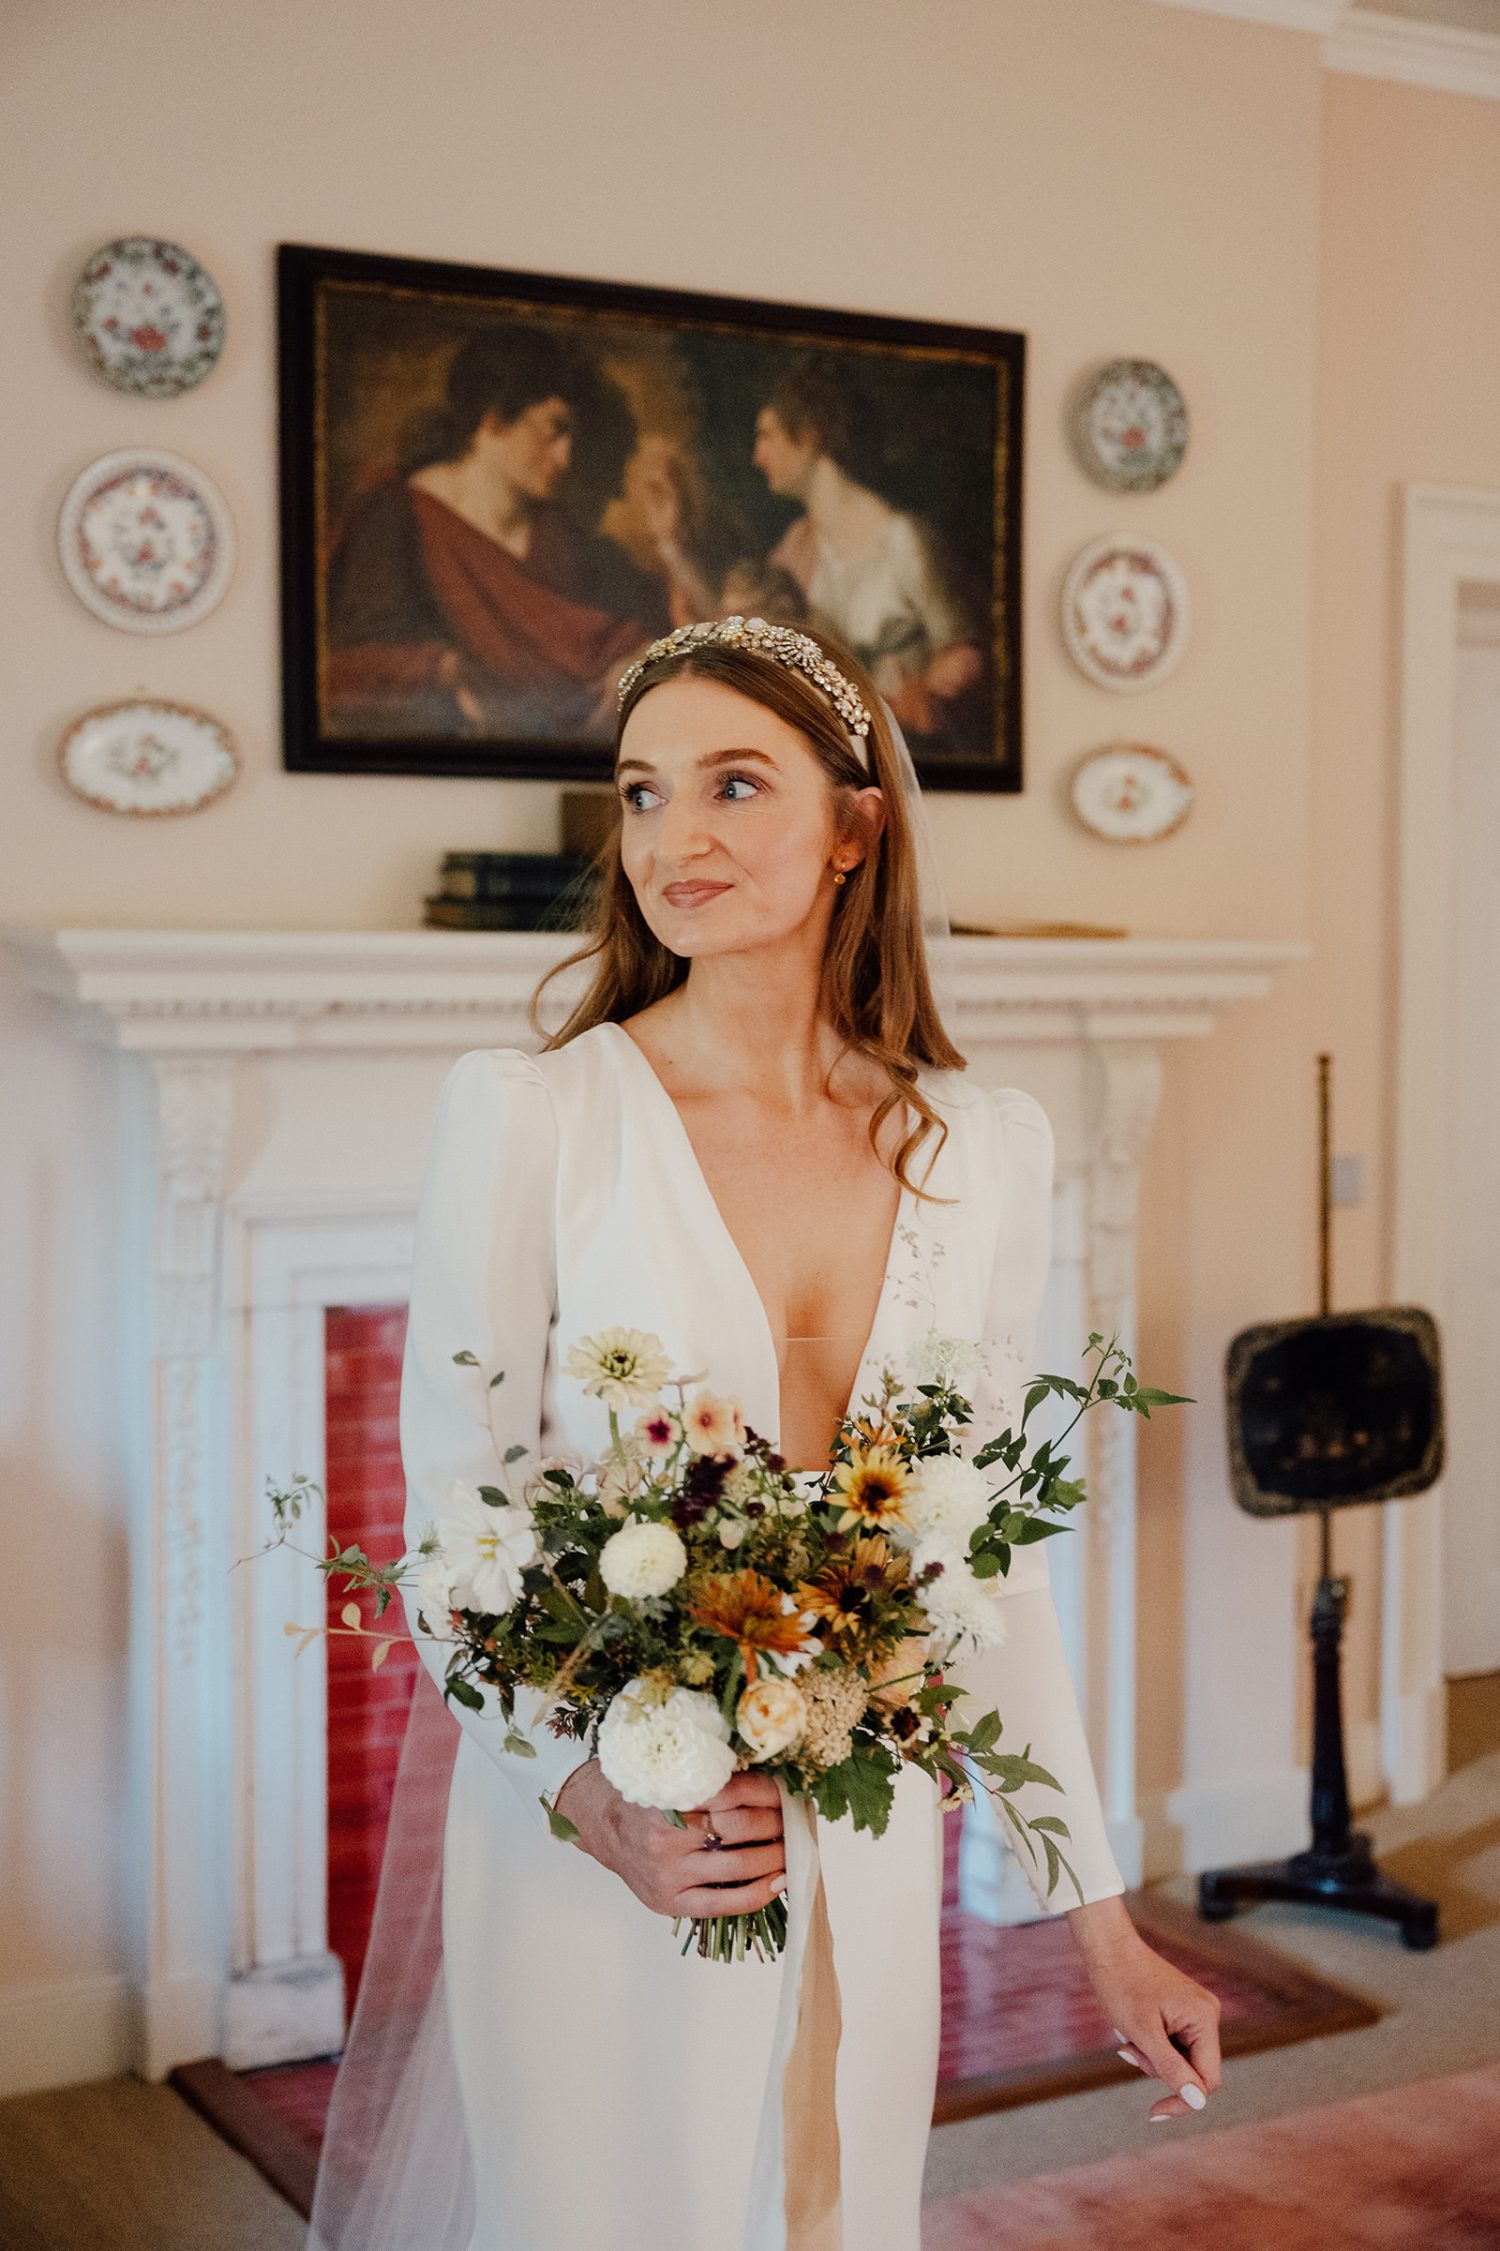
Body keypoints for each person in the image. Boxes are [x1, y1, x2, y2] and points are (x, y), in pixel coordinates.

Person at [315, 616, 1222, 2251]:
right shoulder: (531, 1119)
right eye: (642, 795)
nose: (674, 838)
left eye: (735, 784)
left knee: (835, 2212)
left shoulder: (982, 1149)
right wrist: (592, 1791)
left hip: (867, 1839)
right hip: (608, 1845)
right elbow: (456, 1528)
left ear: (857, 824)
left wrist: (1100, 1920)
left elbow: (982, 1580)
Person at [324, 326, 665, 741]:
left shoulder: (559, 534)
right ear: (494, 420)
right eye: (553, 430)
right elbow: (348, 666)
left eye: (572, 437)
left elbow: (619, 635)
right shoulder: (395, 519)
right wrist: (444, 671)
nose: (565, 456)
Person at [752, 358, 985, 740]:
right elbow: (751, 632)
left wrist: (924, 696)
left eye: (767, 435)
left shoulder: (902, 539)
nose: (757, 456)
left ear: (809, 436)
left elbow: (963, 651)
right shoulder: (797, 546)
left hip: (909, 741)